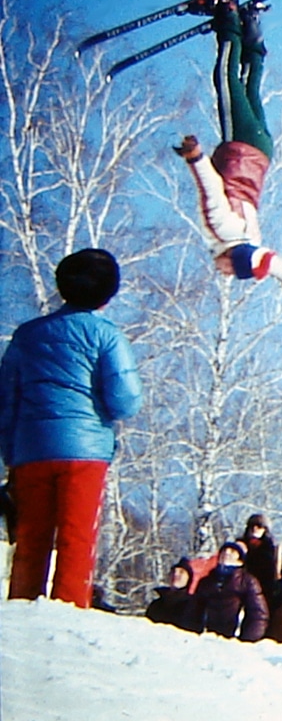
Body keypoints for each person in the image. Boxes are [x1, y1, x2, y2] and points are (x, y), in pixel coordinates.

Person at [0, 248, 143, 608]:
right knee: (76, 540)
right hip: (85, 451)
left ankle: (20, 610)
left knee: (31, 540)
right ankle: (69, 613)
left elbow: (6, 400)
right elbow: (125, 401)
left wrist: (11, 453)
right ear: (108, 292)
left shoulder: (27, 335)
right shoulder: (106, 335)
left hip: (30, 450)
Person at [172, 0, 282, 300]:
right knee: (226, 81)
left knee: (249, 87)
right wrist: (196, 159)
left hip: (262, 151)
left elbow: (271, 262)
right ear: (231, 257)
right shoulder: (222, 230)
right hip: (241, 150)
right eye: (231, 269)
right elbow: (209, 189)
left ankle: (252, 24)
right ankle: (228, 17)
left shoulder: (251, 239)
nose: (224, 272)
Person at [191, 540, 269, 641]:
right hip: (206, 640)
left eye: (232, 552)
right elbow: (193, 611)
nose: (227, 553)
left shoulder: (248, 581)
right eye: (224, 551)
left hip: (234, 641)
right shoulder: (206, 581)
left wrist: (247, 640)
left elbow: (259, 614)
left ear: (240, 560)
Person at [240, 512, 282, 603]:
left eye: (259, 526)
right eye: (252, 526)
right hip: (242, 593)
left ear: (265, 530)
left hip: (266, 595)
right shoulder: (238, 549)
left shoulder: (273, 551)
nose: (254, 529)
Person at [144, 557, 197, 630]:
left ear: (189, 578)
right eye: (173, 571)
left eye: (181, 572)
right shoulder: (156, 605)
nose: (176, 574)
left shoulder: (195, 606)